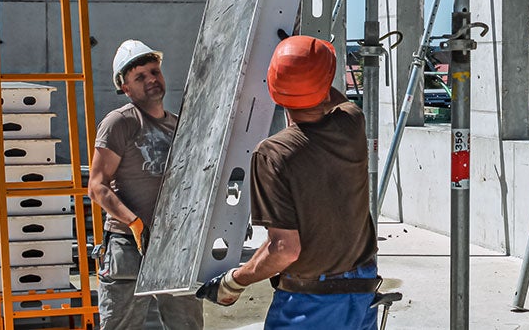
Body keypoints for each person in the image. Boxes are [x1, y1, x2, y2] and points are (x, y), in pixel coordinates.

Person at [196, 35, 380, 329]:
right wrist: (304, 66)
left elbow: (284, 249)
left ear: (272, 88)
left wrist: (234, 282)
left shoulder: (273, 154)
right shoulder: (352, 124)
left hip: (310, 304)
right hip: (361, 291)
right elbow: (334, 97)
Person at [90, 39, 204, 330]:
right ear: (125, 88)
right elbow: (97, 186)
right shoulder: (120, 123)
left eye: (154, 71)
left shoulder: (180, 125)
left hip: (173, 246)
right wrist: (134, 223)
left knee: (187, 326)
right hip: (128, 245)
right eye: (139, 77)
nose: (151, 79)